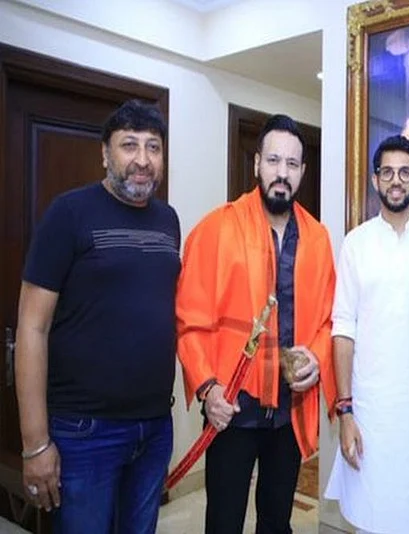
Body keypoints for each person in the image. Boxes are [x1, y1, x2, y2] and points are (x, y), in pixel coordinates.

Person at [14, 100, 179, 533]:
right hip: (84, 431)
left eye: (153, 147)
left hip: (154, 427)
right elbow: (32, 327)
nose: (143, 159)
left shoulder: (168, 221)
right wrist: (35, 443)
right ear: (105, 154)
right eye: (129, 145)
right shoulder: (68, 213)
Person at [175, 114, 337, 534]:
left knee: (277, 521)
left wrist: (316, 358)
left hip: (289, 411)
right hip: (232, 409)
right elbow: (190, 321)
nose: (282, 173)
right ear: (256, 164)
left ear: (303, 171)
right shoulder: (216, 229)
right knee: (224, 521)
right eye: (273, 161)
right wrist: (208, 388)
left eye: (292, 164)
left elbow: (328, 320)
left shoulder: (317, 238)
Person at [324, 135, 409, 534]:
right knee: (370, 516)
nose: (396, 180)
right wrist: (346, 411)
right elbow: (343, 329)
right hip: (369, 407)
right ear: (375, 180)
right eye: (388, 172)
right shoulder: (356, 243)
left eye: (405, 173)